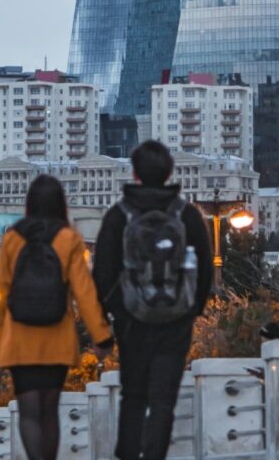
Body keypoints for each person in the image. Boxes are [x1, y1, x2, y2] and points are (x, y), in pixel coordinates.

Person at [93, 139, 213, 460]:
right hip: (176, 318)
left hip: (132, 318)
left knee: (133, 395)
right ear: (170, 172)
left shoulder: (119, 216)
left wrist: (110, 315)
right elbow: (205, 267)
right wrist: (193, 308)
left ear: (134, 174)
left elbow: (102, 274)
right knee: (163, 399)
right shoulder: (187, 215)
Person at [0, 174, 113, 460]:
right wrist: (101, 335)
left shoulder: (12, 237)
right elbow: (83, 291)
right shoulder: (68, 238)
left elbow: (3, 290)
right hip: (56, 338)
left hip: (19, 339)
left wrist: (3, 334)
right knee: (49, 409)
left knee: (28, 410)